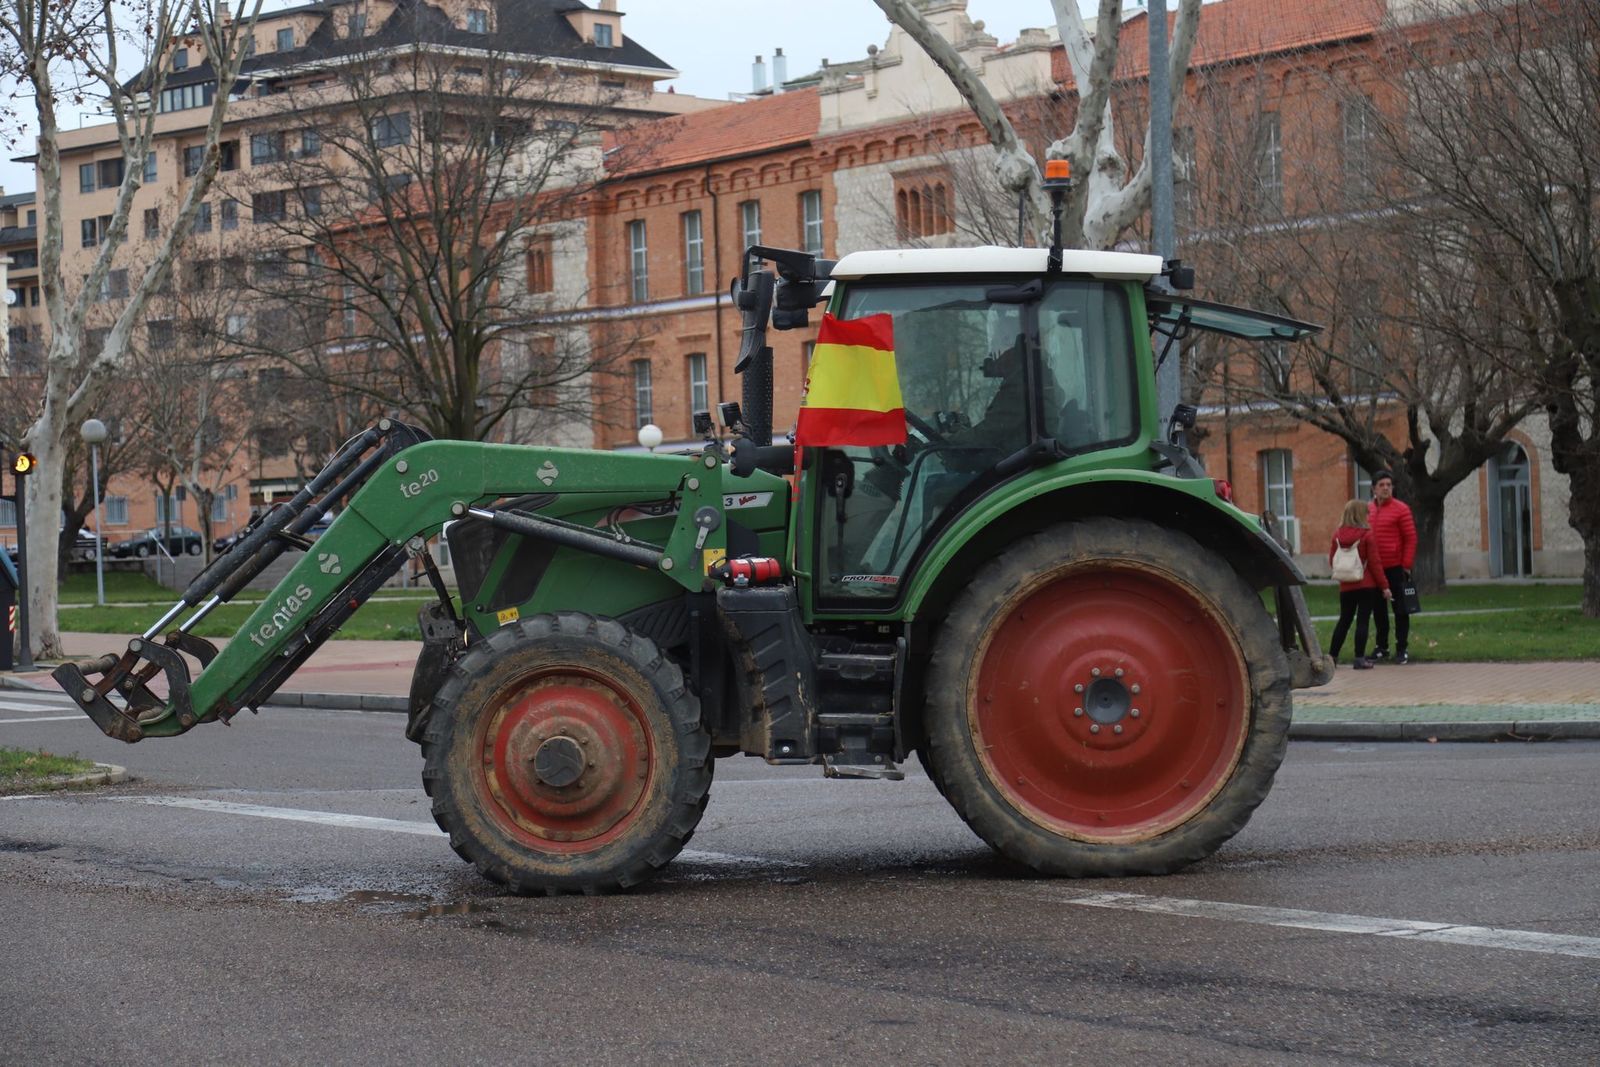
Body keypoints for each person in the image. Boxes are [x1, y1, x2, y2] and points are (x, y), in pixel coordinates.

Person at [1327, 499, 1391, 669]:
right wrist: (1384, 586)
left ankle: (1332, 656)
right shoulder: (1367, 535)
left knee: (1344, 620)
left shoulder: (1337, 535)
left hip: (1346, 586)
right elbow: (1375, 563)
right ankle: (1359, 658)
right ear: (1361, 515)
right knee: (1362, 621)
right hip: (1366, 585)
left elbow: (1332, 560)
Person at [1368, 469, 1417, 664]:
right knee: (1378, 610)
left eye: (1389, 485)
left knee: (1401, 609)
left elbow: (1411, 538)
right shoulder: (1368, 510)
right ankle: (1382, 647)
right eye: (1382, 485)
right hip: (1374, 569)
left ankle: (1402, 648)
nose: (1386, 488)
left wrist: (1406, 565)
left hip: (1396, 567)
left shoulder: (1401, 509)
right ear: (1374, 488)